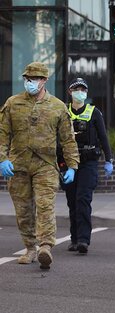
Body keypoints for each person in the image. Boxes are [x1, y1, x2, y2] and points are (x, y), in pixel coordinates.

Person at [0, 62, 79, 270]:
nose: (30, 82)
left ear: (44, 80)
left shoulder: (58, 107)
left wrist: (72, 165)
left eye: (34, 79)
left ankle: (45, 246)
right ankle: (30, 247)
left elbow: (68, 139)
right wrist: (2, 158)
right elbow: (2, 134)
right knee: (23, 210)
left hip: (45, 165)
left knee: (45, 206)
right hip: (18, 165)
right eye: (27, 78)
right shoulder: (13, 103)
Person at [61, 78, 114, 254]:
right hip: (68, 163)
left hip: (88, 162)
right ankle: (74, 238)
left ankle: (83, 239)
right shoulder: (63, 112)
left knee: (83, 199)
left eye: (83, 89)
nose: (80, 92)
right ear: (70, 92)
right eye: (76, 89)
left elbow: (103, 137)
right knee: (72, 201)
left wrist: (109, 160)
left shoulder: (94, 112)